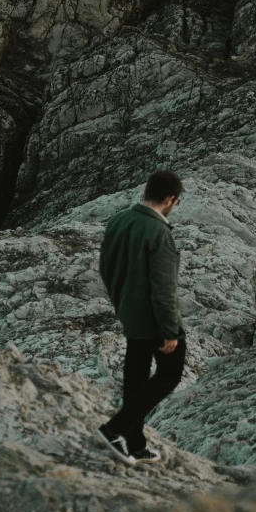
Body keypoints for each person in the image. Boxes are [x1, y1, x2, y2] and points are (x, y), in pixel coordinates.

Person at [97, 170, 186, 466]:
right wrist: (170, 330)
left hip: (130, 315)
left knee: (135, 379)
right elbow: (164, 289)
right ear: (170, 200)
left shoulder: (119, 220)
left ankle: (135, 445)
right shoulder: (158, 232)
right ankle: (114, 429)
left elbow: (105, 267)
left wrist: (121, 303)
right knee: (169, 374)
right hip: (154, 322)